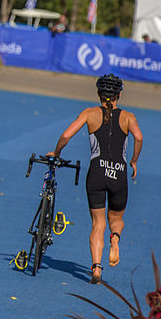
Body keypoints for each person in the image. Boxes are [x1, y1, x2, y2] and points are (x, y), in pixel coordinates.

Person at [48, 74, 143, 284]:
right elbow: (138, 137)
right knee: (116, 219)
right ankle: (115, 239)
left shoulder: (89, 113)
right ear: (119, 94)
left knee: (97, 223)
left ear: (99, 94)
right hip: (119, 173)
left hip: (97, 173)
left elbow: (66, 135)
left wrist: (56, 152)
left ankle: (97, 268)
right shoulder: (128, 117)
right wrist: (133, 161)